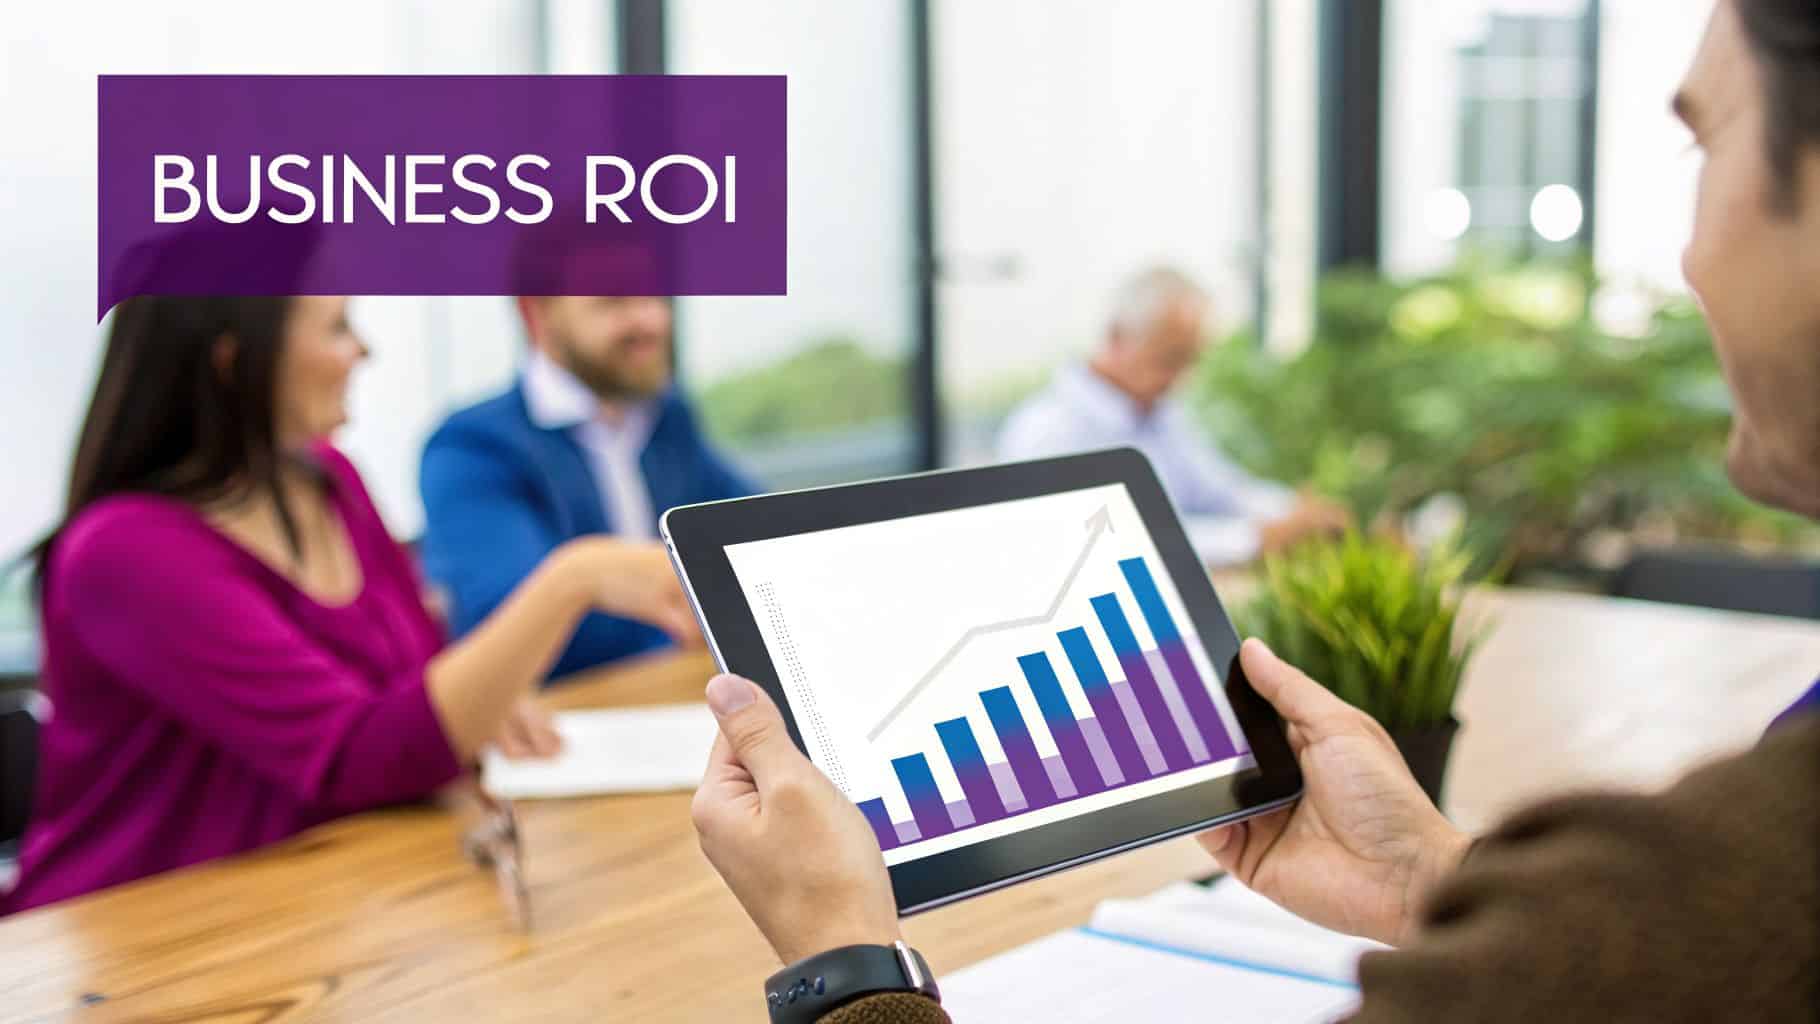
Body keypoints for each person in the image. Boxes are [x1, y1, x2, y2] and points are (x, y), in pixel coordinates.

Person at [688, 0, 1820, 1019]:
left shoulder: (1748, 876)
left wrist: (843, 960)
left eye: (1700, 141)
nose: (1683, 255)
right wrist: (1428, 877)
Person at [1, 295, 697, 915]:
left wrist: (472, 702)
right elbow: (352, 762)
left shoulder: (330, 480)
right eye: (337, 327)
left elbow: (417, 674)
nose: (362, 351)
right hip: (147, 942)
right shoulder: (124, 552)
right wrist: (571, 581)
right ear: (235, 359)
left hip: (329, 903)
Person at [419, 280, 753, 681]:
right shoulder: (473, 448)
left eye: (657, 296)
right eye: (614, 301)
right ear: (536, 314)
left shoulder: (667, 418)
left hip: (675, 695)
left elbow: (760, 545)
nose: (652, 320)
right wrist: (709, 616)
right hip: (561, 720)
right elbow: (521, 625)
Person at [997, 268, 1348, 565]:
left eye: (1190, 361)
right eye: (1170, 359)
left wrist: (1293, 512)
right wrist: (1252, 540)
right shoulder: (1048, 430)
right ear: (1117, 338)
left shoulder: (1161, 415)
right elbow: (1114, 543)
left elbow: (1221, 490)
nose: (1182, 377)